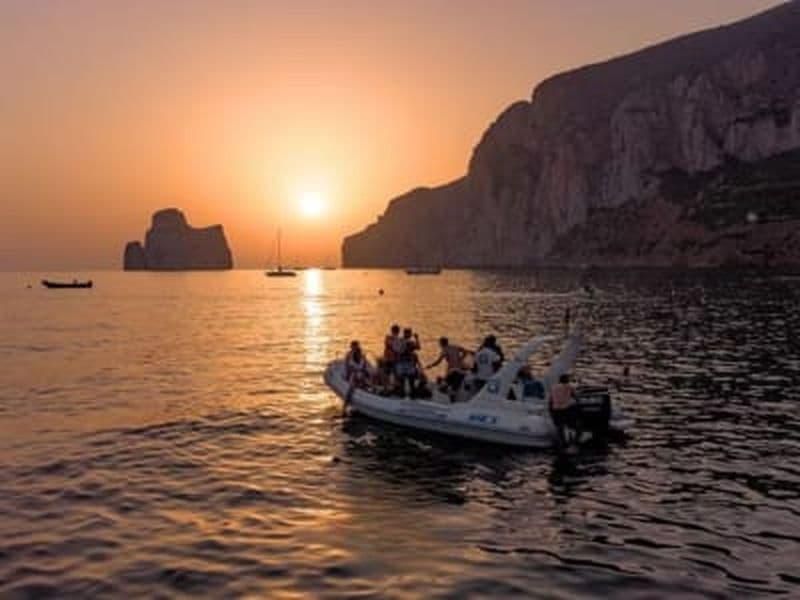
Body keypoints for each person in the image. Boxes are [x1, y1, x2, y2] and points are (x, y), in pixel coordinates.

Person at [426, 337, 473, 401]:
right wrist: (461, 358)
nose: (439, 345)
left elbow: (438, 361)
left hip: (452, 368)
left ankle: (450, 394)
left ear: (442, 343)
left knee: (448, 381)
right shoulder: (455, 346)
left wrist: (430, 366)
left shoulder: (444, 350)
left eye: (440, 343)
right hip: (460, 366)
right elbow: (466, 351)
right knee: (455, 381)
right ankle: (455, 392)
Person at [549, 373, 578, 450]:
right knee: (570, 424)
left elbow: (551, 400)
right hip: (565, 410)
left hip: (555, 410)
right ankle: (571, 441)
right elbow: (575, 394)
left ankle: (562, 443)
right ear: (566, 380)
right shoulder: (568, 387)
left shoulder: (553, 387)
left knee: (560, 427)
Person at [395, 328, 422, 397]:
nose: (410, 335)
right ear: (407, 333)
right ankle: (409, 394)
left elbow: (396, 349)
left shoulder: (399, 340)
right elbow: (418, 347)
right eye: (410, 333)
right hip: (406, 363)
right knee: (409, 380)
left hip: (402, 363)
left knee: (404, 380)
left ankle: (404, 394)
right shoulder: (408, 342)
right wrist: (417, 339)